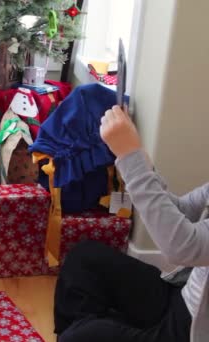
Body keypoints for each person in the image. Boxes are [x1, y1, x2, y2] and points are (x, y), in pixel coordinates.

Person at [53, 105, 208, 341]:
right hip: (184, 298)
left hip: (192, 330)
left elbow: (184, 247)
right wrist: (138, 162)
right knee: (85, 259)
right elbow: (183, 212)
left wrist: (131, 158)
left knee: (84, 336)